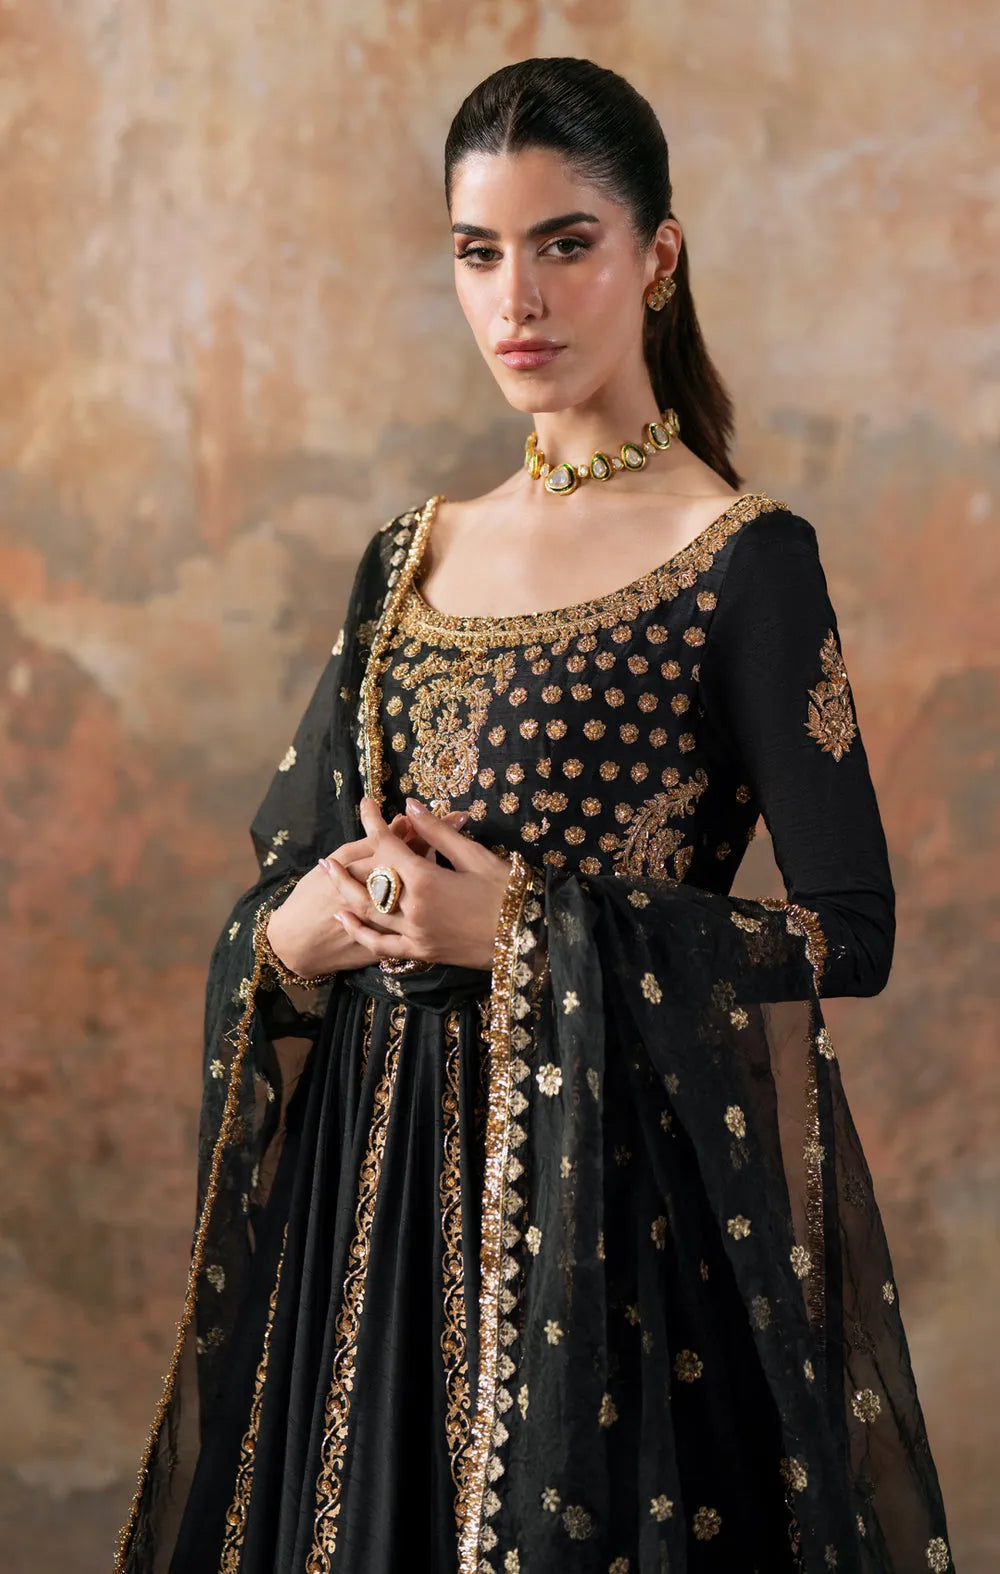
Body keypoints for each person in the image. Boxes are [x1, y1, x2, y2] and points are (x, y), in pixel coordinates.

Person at [113, 56, 954, 1574]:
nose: (521, 300)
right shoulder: (407, 558)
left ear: (657, 255)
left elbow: (852, 931)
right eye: (479, 251)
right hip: (368, 1235)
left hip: (612, 1226)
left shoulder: (740, 558)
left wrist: (525, 928)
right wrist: (299, 932)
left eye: (567, 244)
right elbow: (290, 883)